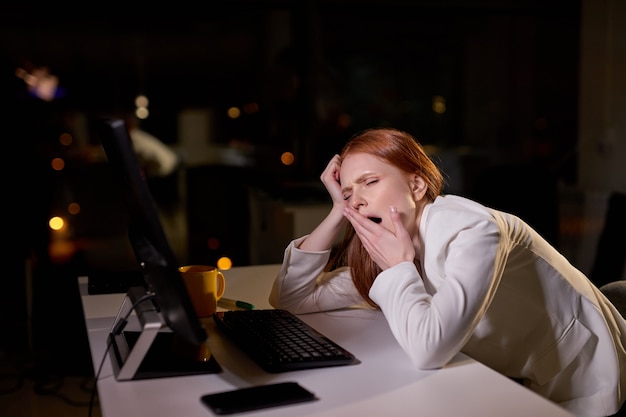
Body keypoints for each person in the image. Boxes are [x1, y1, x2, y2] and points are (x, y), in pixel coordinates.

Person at [269, 127, 626, 417]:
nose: (357, 200)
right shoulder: (393, 247)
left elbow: (429, 350)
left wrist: (400, 267)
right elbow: (291, 298)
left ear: (417, 185)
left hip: (586, 377)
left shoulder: (472, 230)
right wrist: (337, 210)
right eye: (348, 192)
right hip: (515, 379)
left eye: (370, 182)